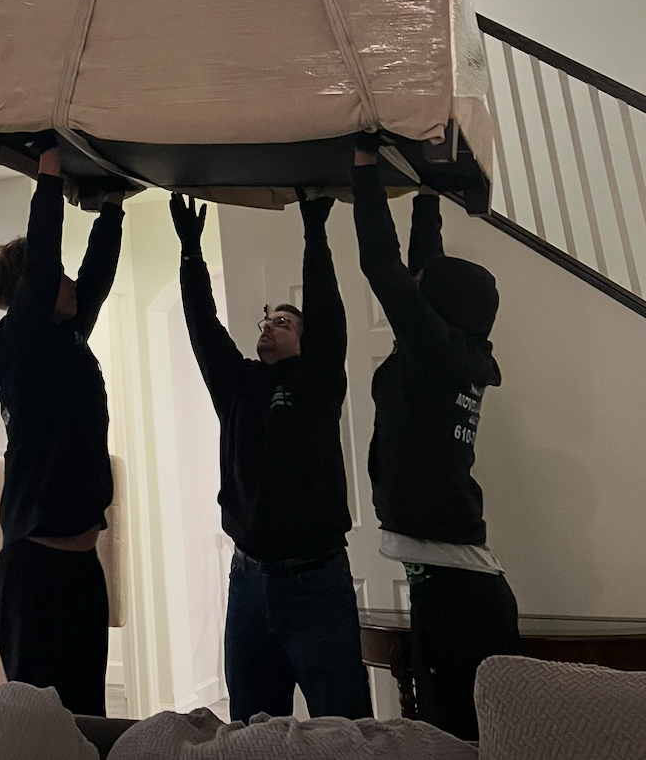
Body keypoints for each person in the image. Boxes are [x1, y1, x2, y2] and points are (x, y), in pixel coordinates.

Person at [173, 190, 372, 723]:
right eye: (265, 319)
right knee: (252, 728)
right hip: (248, 585)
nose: (268, 324)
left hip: (317, 586)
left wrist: (314, 231)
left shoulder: (317, 382)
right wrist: (191, 254)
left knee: (343, 729)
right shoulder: (238, 385)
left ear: (306, 344)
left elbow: (328, 316)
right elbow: (204, 331)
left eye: (283, 322)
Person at [352, 143, 520, 741]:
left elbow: (382, 265)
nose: (412, 289)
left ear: (438, 306)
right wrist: (426, 194)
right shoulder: (458, 354)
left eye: (424, 290)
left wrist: (363, 162)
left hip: (457, 597)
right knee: (452, 736)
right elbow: (425, 268)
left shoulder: (437, 356)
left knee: (457, 741)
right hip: (455, 588)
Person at [0, 145, 126, 716]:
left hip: (81, 568)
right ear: (29, 297)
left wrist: (112, 205)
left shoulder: (65, 341)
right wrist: (48, 169)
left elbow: (95, 279)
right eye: (55, 279)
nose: (69, 284)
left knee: (87, 715)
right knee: (38, 725)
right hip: (34, 576)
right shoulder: (20, 350)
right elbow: (44, 263)